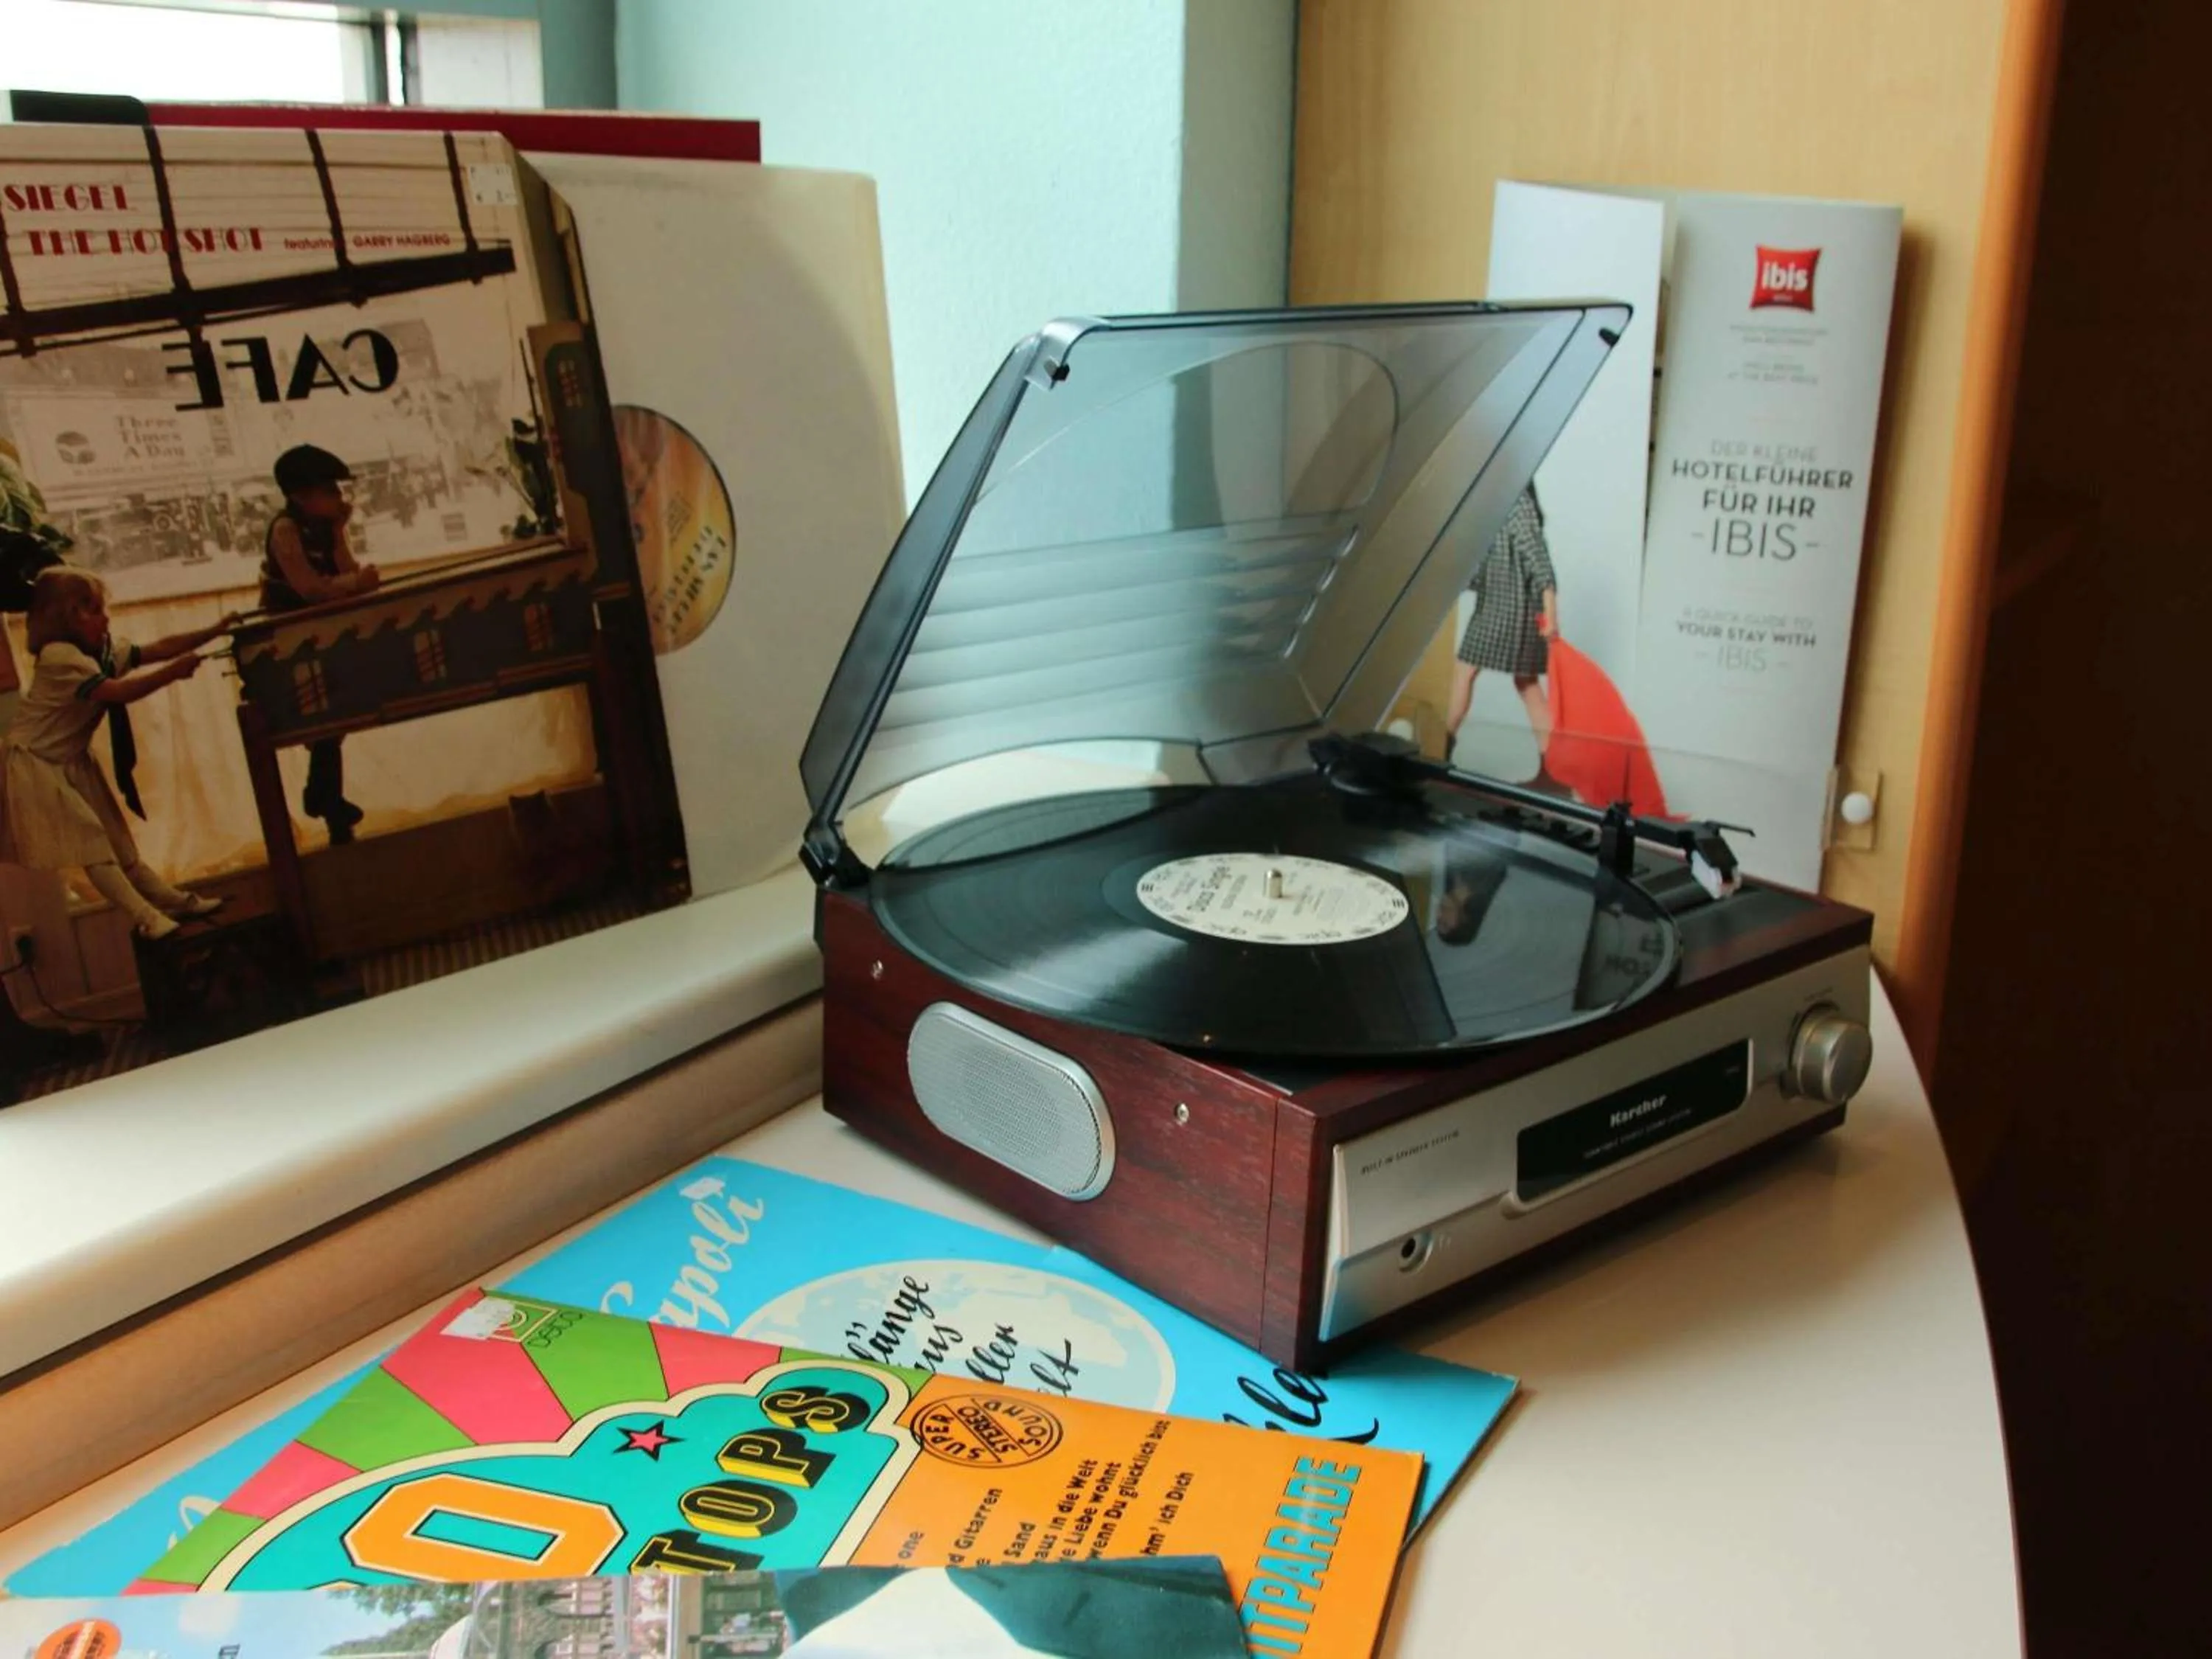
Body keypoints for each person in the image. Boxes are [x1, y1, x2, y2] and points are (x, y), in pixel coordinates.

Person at [1, 568, 236, 940]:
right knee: (92, 844)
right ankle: (147, 917)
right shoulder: (60, 656)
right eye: (92, 610)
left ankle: (176, 902)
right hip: (38, 763)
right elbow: (118, 692)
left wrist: (214, 630)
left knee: (119, 842)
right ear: (65, 617)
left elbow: (158, 648)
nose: (105, 618)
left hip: (71, 759)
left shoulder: (98, 652)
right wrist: (174, 673)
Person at [261, 444, 379, 844]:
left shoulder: (323, 527)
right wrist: (355, 583)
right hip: (293, 640)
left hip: (323, 633)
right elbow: (310, 588)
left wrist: (339, 532)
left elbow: (345, 569)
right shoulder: (285, 530)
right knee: (324, 718)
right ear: (301, 495)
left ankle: (326, 799)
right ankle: (327, 801)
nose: (339, 498)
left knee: (333, 718)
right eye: (330, 490)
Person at [1444, 486, 1559, 769]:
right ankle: (1553, 766)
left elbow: (1538, 557)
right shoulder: (1498, 499)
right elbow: (1485, 565)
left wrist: (1551, 613)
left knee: (1465, 671)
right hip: (1509, 604)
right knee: (1527, 684)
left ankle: (1442, 746)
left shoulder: (1516, 500)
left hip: (1511, 606)